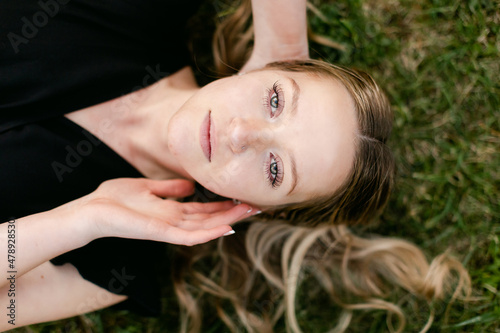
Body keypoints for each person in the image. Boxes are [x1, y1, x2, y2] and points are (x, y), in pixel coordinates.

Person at [0, 0, 469, 331]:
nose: (242, 134)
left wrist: (81, 220)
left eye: (274, 171)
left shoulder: (114, 263)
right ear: (271, 67)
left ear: (257, 207)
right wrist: (284, 34)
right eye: (275, 100)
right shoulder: (138, 11)